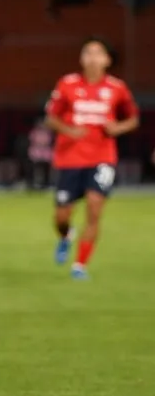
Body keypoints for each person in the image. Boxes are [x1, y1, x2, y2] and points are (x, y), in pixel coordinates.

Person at [45, 37, 139, 280]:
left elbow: (133, 118)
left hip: (102, 157)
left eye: (98, 53)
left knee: (94, 208)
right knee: (61, 216)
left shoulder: (117, 88)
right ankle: (66, 235)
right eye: (88, 53)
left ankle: (80, 265)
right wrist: (69, 131)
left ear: (107, 60)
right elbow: (50, 117)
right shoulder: (67, 84)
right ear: (81, 58)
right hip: (70, 158)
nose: (93, 58)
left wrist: (117, 128)